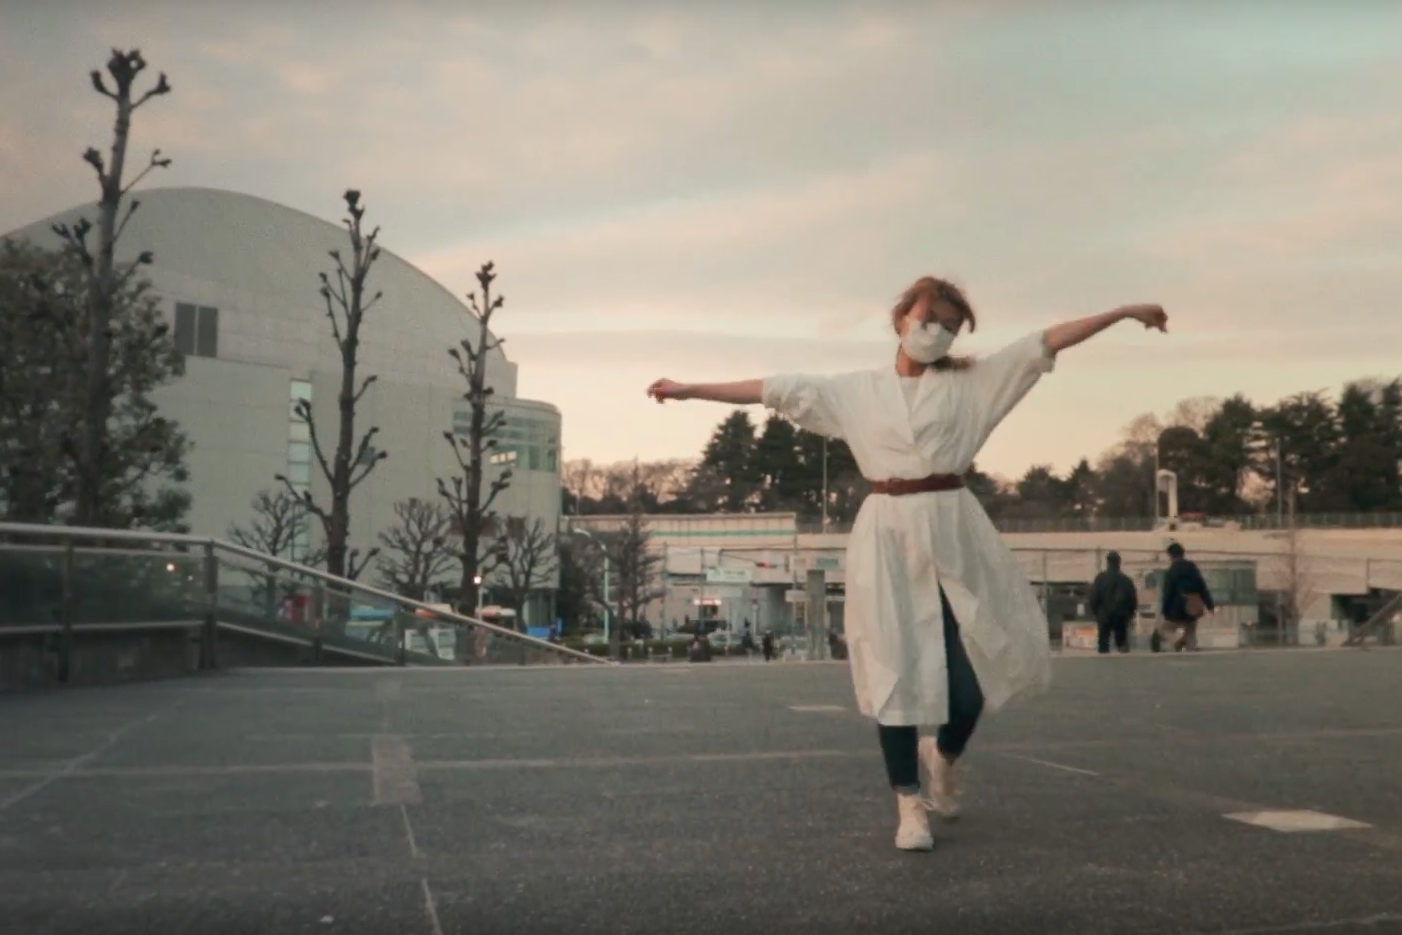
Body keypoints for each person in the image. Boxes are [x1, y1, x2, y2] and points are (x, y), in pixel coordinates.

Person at [646, 276, 1169, 852]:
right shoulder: (858, 392)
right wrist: (690, 389)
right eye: (927, 318)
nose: (935, 331)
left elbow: (1043, 343)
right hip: (887, 534)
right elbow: (775, 388)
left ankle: (941, 755)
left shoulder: (973, 385)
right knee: (893, 667)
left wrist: (1121, 311)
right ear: (900, 319)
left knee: (967, 687)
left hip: (953, 529)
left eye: (949, 325)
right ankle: (907, 803)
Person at [1158, 542, 1214, 652]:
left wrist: (1165, 610)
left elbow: (1168, 593)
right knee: (1191, 630)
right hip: (1193, 607)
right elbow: (1202, 588)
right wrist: (1210, 605)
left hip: (1176, 610)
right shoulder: (1193, 569)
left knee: (1163, 630)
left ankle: (1177, 640)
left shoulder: (1172, 571)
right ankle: (1191, 649)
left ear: (1171, 555)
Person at [1089, 551, 1138, 654]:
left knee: (1103, 643)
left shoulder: (1100, 579)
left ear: (1107, 563)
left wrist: (1096, 613)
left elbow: (1094, 598)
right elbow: (1132, 600)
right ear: (1119, 563)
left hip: (1104, 616)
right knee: (1122, 643)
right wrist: (1130, 615)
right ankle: (1124, 663)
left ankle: (1104, 664)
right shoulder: (1126, 580)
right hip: (1121, 616)